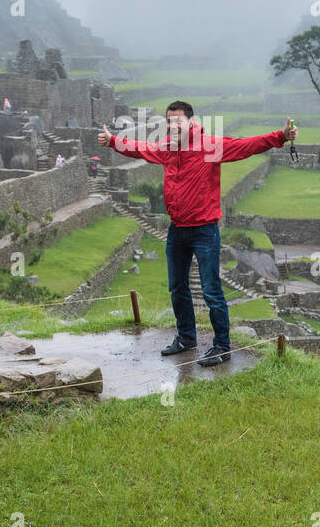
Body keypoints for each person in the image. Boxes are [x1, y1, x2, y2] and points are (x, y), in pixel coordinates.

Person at [98, 102, 296, 366]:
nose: (172, 126)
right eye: (169, 122)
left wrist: (280, 137)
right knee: (178, 286)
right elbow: (141, 149)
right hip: (177, 229)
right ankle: (186, 338)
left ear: (191, 122)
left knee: (211, 289)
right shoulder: (167, 148)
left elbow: (247, 145)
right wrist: (113, 141)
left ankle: (222, 347)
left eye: (178, 121)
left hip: (204, 230)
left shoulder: (209, 145)